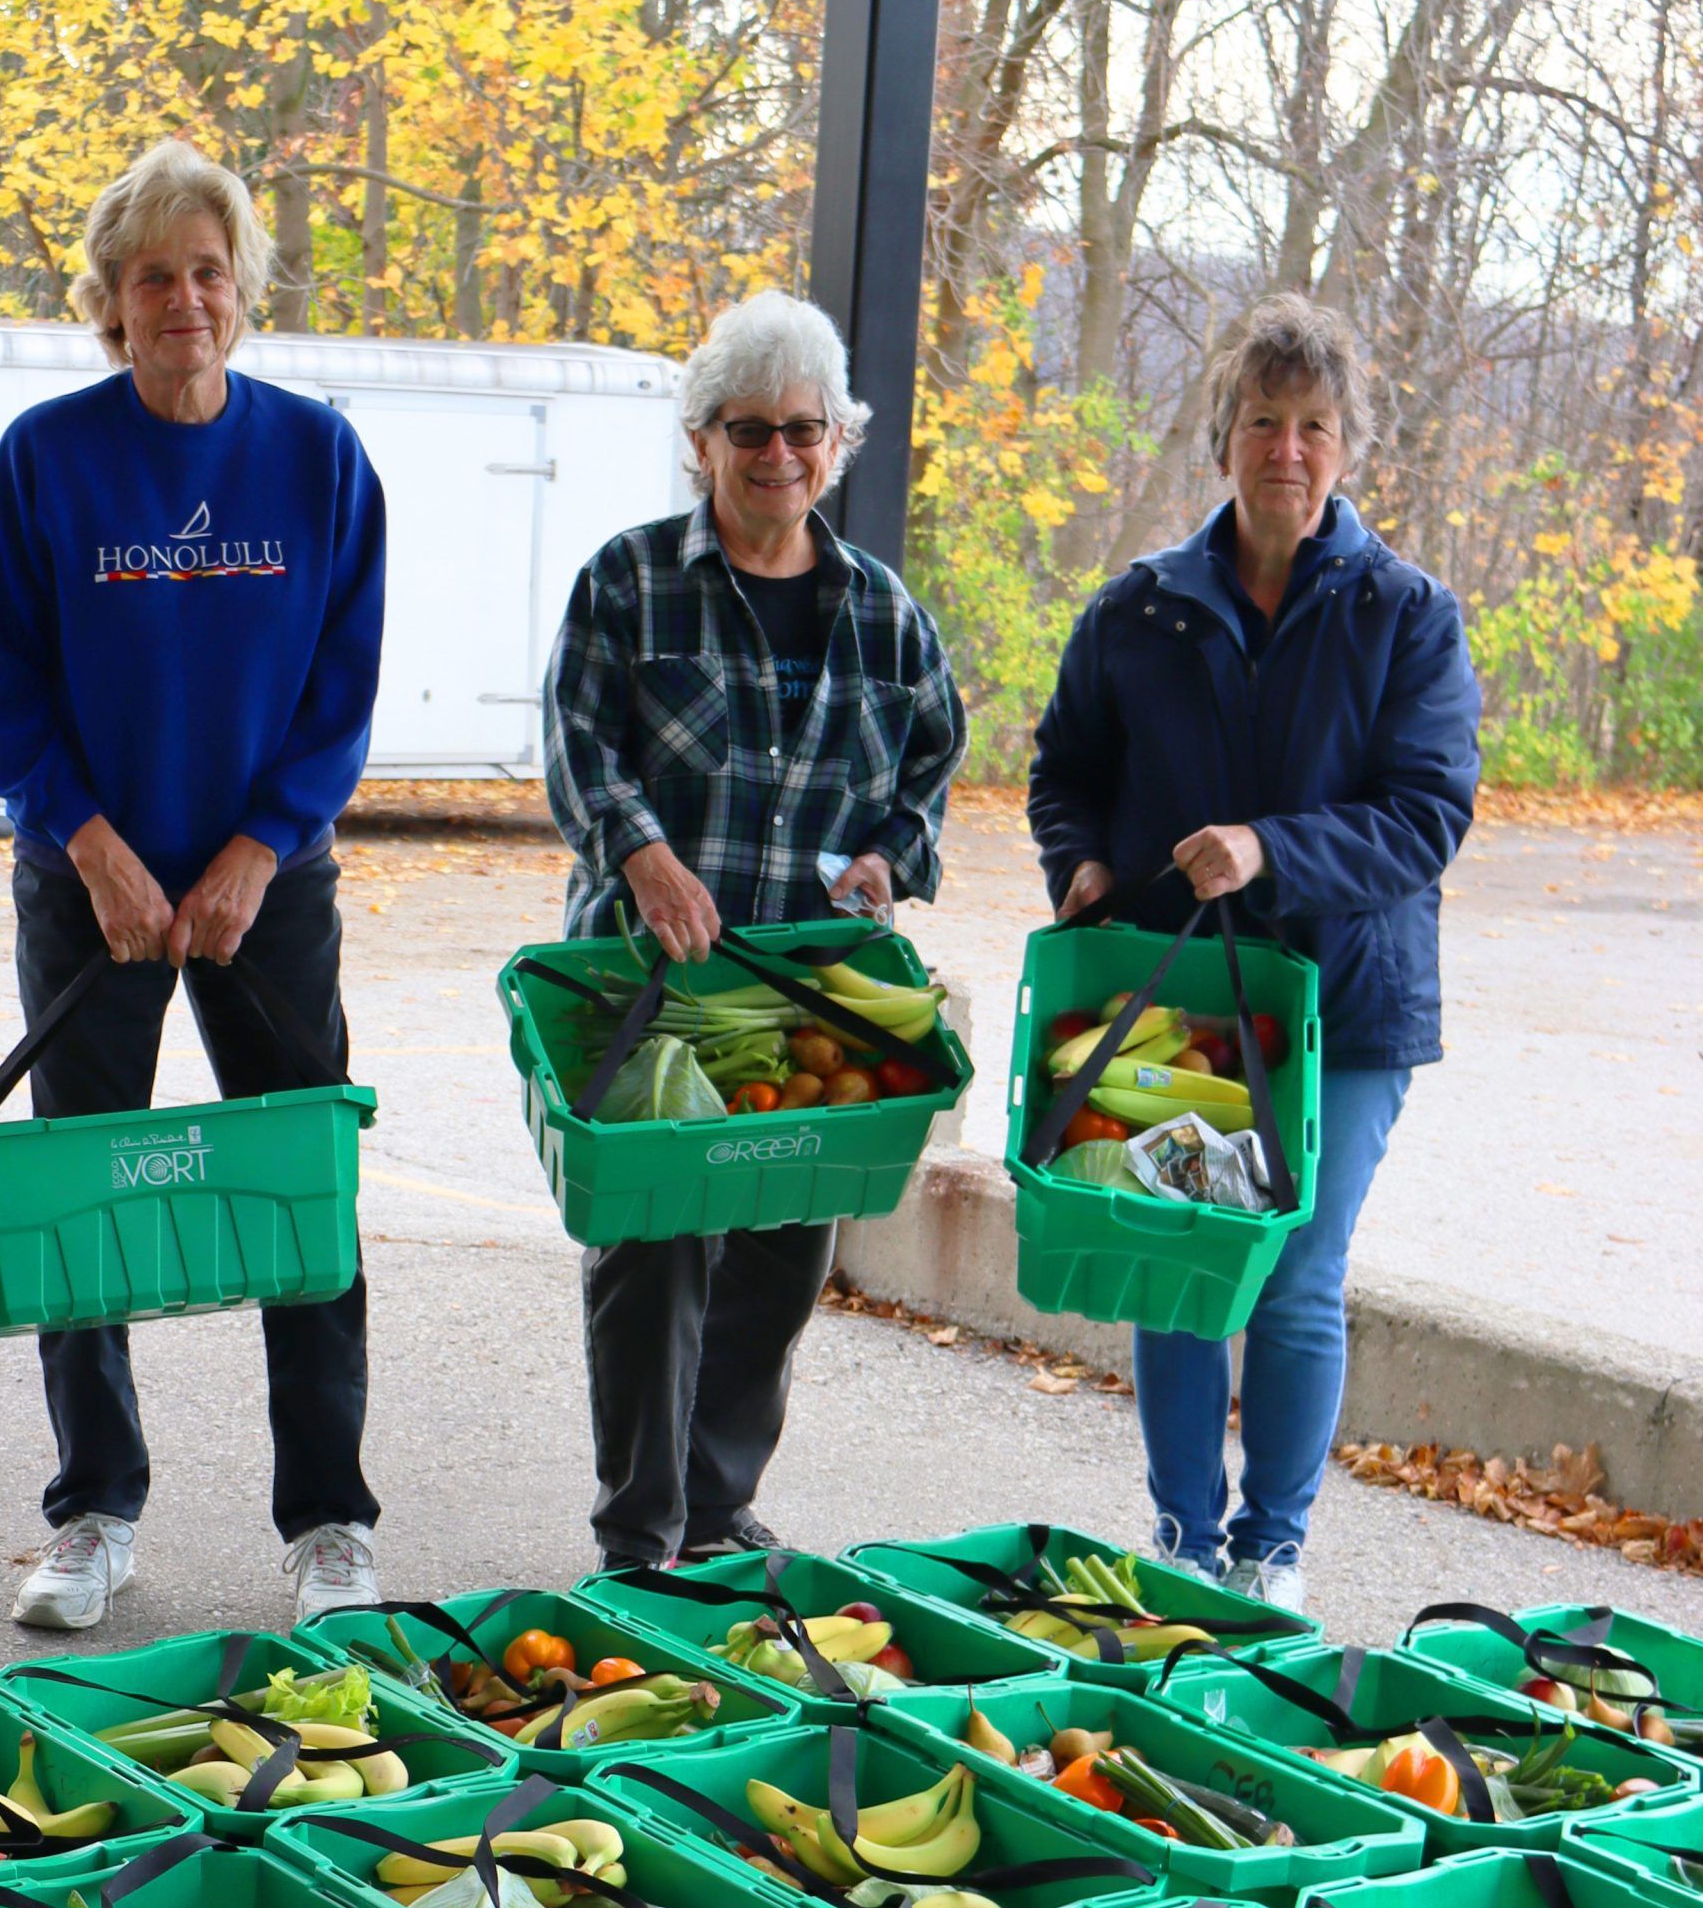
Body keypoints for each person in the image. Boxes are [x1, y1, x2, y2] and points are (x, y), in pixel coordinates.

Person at [0, 140, 389, 1632]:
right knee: (81, 1196)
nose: (185, 300)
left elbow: (341, 689)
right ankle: (92, 1512)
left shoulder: (318, 459)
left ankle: (330, 1521)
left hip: (269, 886)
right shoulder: (41, 461)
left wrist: (260, 848)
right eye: (154, 277)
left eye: (209, 271)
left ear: (243, 288)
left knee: (303, 1195)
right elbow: (5, 691)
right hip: (91, 885)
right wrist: (93, 847)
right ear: (111, 301)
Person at [1027, 292, 1480, 1614]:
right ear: (1222, 437)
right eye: (1264, 421)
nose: (1287, 449)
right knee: (1177, 1263)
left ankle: (1270, 1550)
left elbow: (1425, 815)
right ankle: (1181, 1539)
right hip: (1176, 995)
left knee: (1292, 1277)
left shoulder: (1407, 614)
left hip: (1347, 1005)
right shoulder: (1139, 610)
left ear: (1348, 449)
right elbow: (1065, 771)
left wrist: (1270, 849)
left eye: (1315, 426)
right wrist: (1082, 866)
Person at [543, 290, 968, 1571]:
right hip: (657, 987)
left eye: (801, 429)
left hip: (806, 998)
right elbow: (576, 748)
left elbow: (931, 765)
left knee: (783, 1258)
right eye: (748, 431)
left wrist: (892, 857)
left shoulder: (884, 612)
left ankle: (716, 1510)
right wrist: (642, 855)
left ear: (837, 441)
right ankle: (640, 1534)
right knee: (656, 1257)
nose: (777, 454)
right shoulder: (627, 582)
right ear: (701, 441)